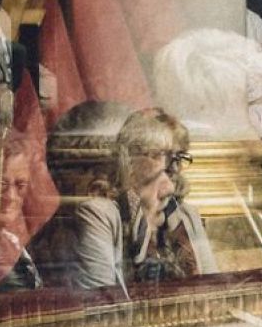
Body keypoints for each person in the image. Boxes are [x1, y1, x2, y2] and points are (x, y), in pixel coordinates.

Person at [32, 109, 217, 294]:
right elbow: (101, 304)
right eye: (161, 155)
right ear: (131, 159)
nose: (174, 168)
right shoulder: (100, 213)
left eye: (179, 157)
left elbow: (214, 290)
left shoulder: (186, 216)